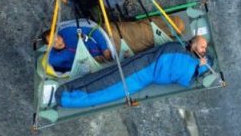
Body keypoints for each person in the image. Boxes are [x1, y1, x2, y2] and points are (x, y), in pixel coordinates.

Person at [55, 36, 214, 108]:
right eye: (202, 46)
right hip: (142, 67)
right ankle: (66, 95)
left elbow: (178, 72)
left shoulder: (188, 59)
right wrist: (197, 64)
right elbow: (172, 61)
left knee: (109, 88)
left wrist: (197, 65)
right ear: (192, 45)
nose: (203, 49)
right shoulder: (179, 50)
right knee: (106, 83)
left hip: (143, 73)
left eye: (204, 49)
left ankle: (67, 96)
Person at [42, 15, 185, 72]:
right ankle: (173, 36)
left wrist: (104, 49)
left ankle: (174, 26)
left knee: (145, 32)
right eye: (52, 43)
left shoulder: (68, 32)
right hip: (116, 54)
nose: (57, 42)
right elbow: (52, 61)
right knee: (147, 46)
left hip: (110, 35)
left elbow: (94, 29)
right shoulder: (60, 55)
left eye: (56, 37)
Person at [42, 26, 112, 73]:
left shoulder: (69, 32)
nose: (59, 42)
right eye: (54, 43)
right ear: (49, 46)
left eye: (58, 37)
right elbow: (68, 71)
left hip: (103, 49)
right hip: (91, 66)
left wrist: (104, 48)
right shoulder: (54, 59)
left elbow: (94, 31)